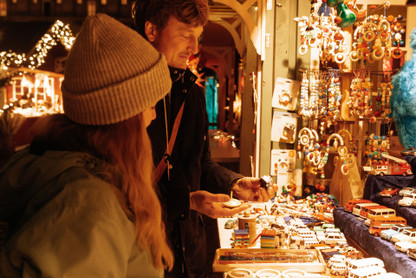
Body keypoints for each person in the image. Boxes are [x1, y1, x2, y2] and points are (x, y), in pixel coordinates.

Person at [0, 13, 173, 277]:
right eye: (150, 105)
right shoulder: (90, 206)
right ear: (123, 119)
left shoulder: (89, 180)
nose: (154, 115)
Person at [132, 1, 278, 277]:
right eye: (185, 33)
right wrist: (187, 201)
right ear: (151, 30)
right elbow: (121, 188)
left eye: (198, 36)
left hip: (191, 250)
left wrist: (234, 183)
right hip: (142, 249)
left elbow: (202, 163)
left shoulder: (192, 93)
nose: (194, 47)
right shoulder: (127, 96)